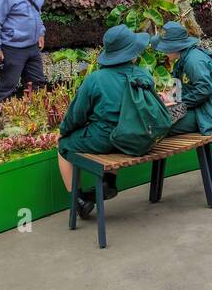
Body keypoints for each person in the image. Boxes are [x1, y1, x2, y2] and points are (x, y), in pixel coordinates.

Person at [58, 25, 155, 219]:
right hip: (139, 137)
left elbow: (76, 115)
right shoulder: (143, 74)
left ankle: (79, 200)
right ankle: (108, 182)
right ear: (132, 53)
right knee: (119, 131)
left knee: (62, 146)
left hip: (105, 139)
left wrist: (63, 131)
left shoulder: (95, 79)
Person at [152, 21, 212, 136]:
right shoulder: (183, 58)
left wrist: (179, 104)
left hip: (208, 115)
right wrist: (169, 96)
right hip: (200, 109)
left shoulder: (193, 61)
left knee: (158, 125)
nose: (163, 52)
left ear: (174, 47)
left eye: (165, 48)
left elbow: (204, 90)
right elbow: (184, 85)